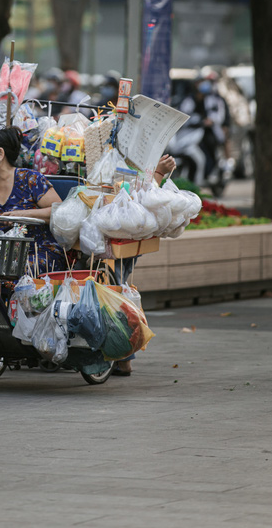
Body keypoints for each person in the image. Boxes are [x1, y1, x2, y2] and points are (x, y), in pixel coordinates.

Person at [112, 153, 176, 376]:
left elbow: (142, 199)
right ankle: (122, 356)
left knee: (116, 289)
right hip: (118, 227)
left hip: (122, 229)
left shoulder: (130, 154)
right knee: (117, 288)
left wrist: (158, 173)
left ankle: (123, 356)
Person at [0, 125, 67, 273]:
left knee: (14, 269)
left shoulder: (30, 180)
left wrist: (23, 215)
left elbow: (61, 212)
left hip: (39, 252)